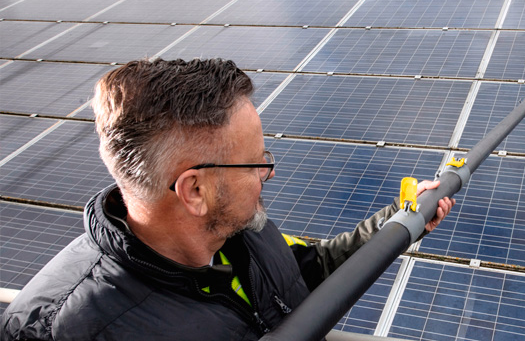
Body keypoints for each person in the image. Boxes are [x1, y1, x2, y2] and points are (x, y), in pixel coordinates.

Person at [1, 58, 454, 340]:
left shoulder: (240, 231)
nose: (269, 172)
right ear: (195, 191)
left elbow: (308, 270)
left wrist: (398, 220)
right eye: (255, 162)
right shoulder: (67, 330)